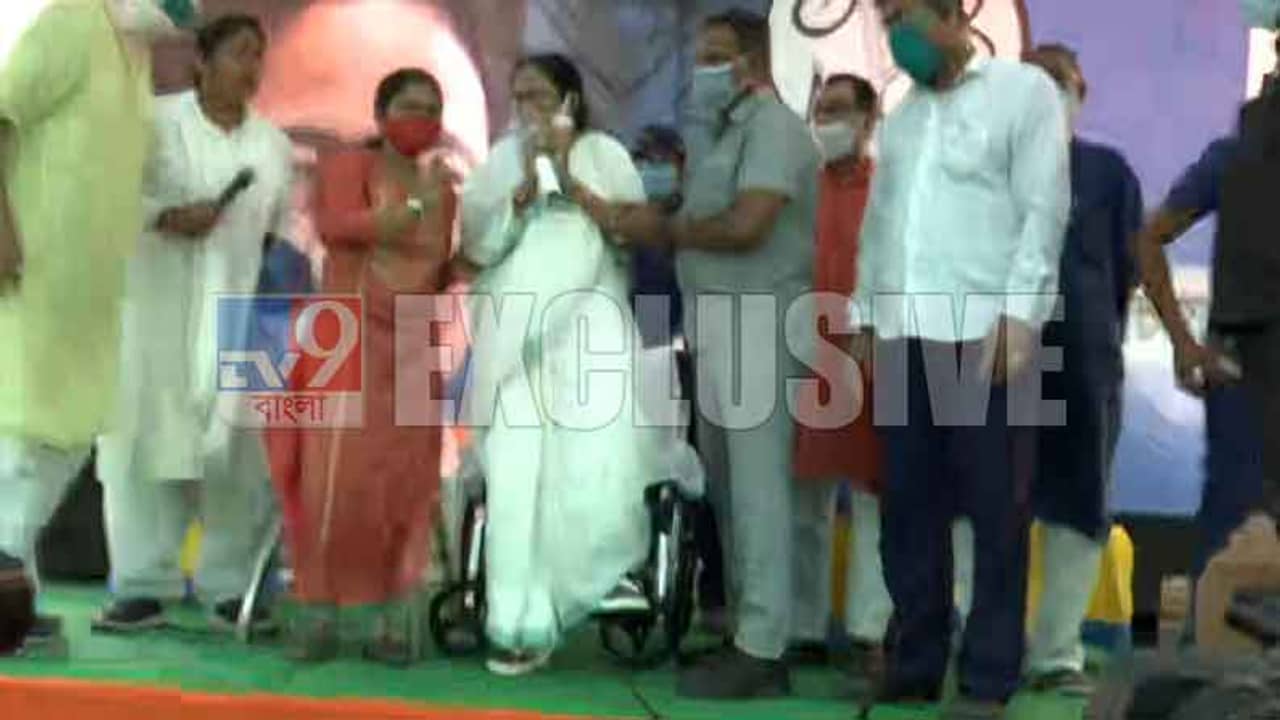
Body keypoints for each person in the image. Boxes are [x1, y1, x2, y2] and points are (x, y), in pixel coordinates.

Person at [851, 0, 1070, 716]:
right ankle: (916, 662)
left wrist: (1021, 316)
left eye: (904, 15)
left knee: (996, 513)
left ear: (950, 13)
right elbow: (881, 225)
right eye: (886, 20)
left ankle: (987, 678)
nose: (894, 34)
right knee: (907, 509)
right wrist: (864, 313)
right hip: (904, 331)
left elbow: (1043, 211)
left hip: (986, 335)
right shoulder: (903, 118)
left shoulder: (1022, 94)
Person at [0, 0, 201, 648]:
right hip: (30, 273)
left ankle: (12, 592)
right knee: (25, 435)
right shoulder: (70, 22)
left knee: (70, 433)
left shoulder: (133, 53)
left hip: (89, 290)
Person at [459, 53, 660, 676]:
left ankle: (586, 585)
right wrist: (520, 199)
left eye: (540, 96)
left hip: (590, 326)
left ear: (571, 99)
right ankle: (514, 622)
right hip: (513, 336)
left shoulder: (607, 155)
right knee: (515, 473)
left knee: (591, 464)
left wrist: (569, 177)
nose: (529, 109)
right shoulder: (500, 161)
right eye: (519, 96)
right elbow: (477, 247)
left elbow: (631, 233)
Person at [92, 13, 291, 634]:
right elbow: (107, 195)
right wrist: (163, 217)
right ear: (200, 61)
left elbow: (277, 233)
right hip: (153, 309)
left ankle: (227, 587)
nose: (251, 67)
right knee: (141, 443)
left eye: (258, 55)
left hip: (234, 316)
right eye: (238, 52)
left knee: (236, 456)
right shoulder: (153, 123)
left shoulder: (273, 146)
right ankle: (141, 587)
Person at [654, 8, 823, 699]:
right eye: (702, 57)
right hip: (715, 324)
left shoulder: (776, 129)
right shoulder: (719, 134)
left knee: (758, 491)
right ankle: (746, 633)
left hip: (762, 323)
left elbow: (749, 224)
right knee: (726, 490)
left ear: (751, 63)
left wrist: (663, 230)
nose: (704, 70)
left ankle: (765, 648)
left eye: (716, 57)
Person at [266, 68, 455, 665]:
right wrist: (408, 212)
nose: (421, 118)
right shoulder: (348, 166)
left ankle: (393, 621)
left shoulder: (443, 188)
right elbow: (336, 229)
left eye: (432, 109)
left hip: (414, 340)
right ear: (379, 115)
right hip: (347, 334)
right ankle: (318, 613)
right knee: (334, 481)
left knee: (407, 481)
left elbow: (436, 267)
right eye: (409, 106)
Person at [1022, 44, 1143, 696]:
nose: (1044, 93)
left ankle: (1056, 653)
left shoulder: (1107, 172)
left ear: (1081, 91)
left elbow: (1124, 269)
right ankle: (986, 643)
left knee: (1078, 504)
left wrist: (1089, 329)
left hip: (1083, 360)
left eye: (1057, 81)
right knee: (987, 502)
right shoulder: (990, 166)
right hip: (1001, 357)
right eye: (1031, 80)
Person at [787, 73, 887, 686]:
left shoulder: (891, 187)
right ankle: (802, 627)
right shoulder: (798, 187)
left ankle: (869, 634)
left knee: (874, 496)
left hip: (872, 351)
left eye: (840, 111)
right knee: (805, 496)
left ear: (871, 121)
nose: (827, 123)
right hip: (804, 350)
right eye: (820, 111)